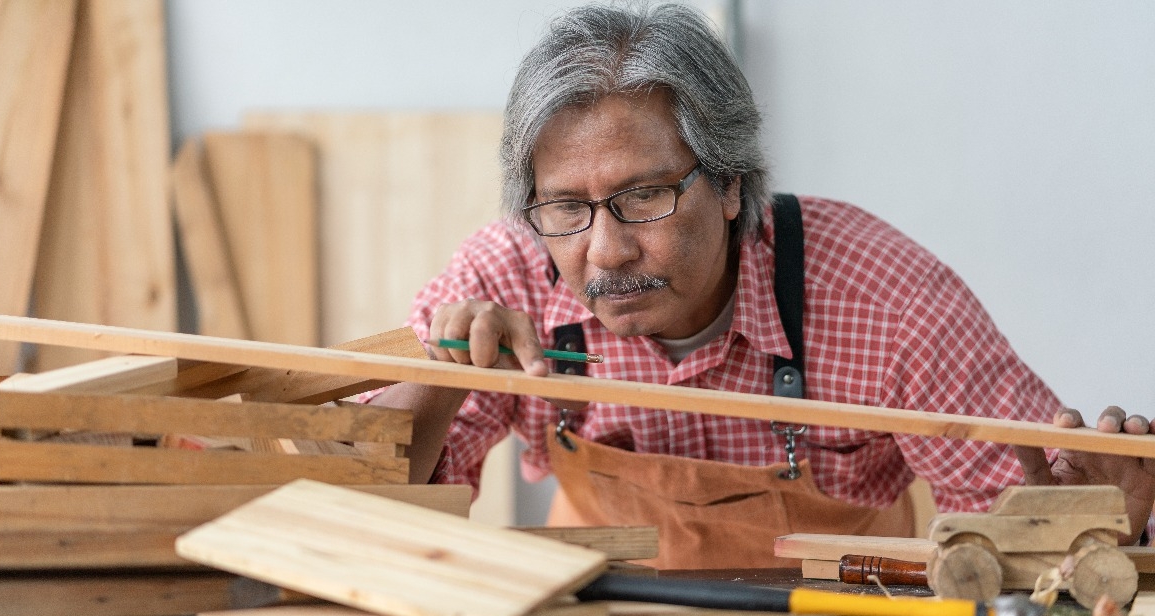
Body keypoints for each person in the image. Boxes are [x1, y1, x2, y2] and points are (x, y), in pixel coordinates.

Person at [363, 2, 1155, 568]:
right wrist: (437, 380)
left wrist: (1106, 519)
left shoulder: (882, 294)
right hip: (602, 600)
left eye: (644, 196)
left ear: (733, 183)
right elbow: (365, 515)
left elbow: (1033, 524)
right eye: (568, 206)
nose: (604, 252)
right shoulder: (509, 273)